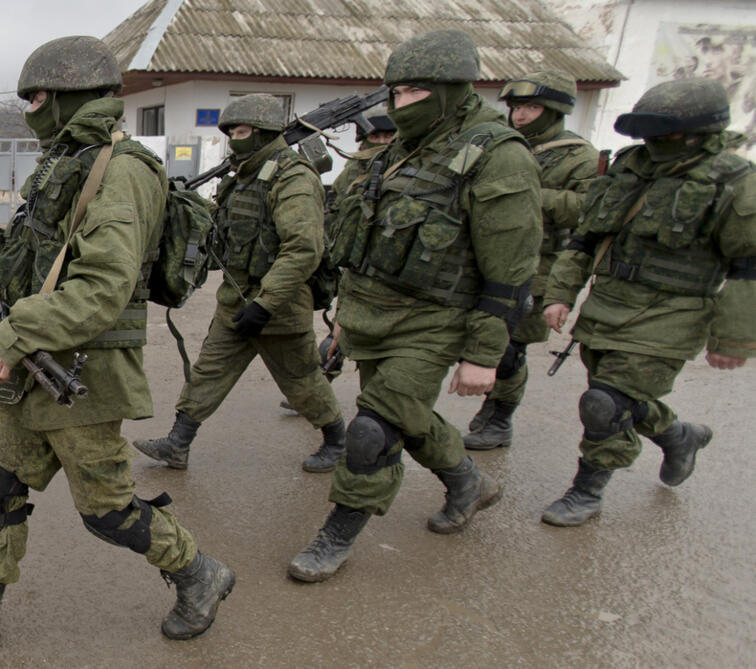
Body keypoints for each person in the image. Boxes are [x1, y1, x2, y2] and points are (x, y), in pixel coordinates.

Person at [0, 36, 234, 650]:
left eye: (34, 96)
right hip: (35, 357)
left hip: (82, 369)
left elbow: (103, 286)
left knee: (107, 511)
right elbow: (37, 247)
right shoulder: (69, 160)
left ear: (65, 96)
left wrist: (17, 332)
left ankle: (198, 571)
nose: (28, 107)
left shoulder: (123, 169)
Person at [287, 30, 542, 583]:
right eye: (395, 93)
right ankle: (468, 481)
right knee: (408, 416)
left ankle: (339, 531)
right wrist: (343, 323)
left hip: (434, 321)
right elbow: (369, 245)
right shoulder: (405, 149)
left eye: (413, 93)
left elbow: (511, 271)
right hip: (374, 314)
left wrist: (483, 355)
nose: (399, 105)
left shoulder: (498, 156)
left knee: (372, 431)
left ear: (451, 90)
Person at [541, 77, 755, 527]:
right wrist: (560, 293)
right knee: (623, 400)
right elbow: (586, 237)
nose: (654, 144)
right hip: (608, 304)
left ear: (699, 132)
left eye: (666, 135)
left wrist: (733, 337)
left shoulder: (734, 181)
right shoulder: (628, 167)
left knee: (605, 404)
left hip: (672, 313)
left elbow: (748, 266)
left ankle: (587, 492)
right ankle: (679, 436)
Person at [133, 93, 347, 473]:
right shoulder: (242, 177)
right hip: (235, 301)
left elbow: (304, 248)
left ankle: (336, 440)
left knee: (301, 382)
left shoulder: (293, 176)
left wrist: (265, 304)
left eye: (242, 131)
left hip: (278, 309)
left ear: (265, 133)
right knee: (207, 374)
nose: (234, 139)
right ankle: (177, 444)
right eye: (230, 132)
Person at [463, 70, 600, 450]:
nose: (521, 116)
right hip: (488, 257)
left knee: (510, 347)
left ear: (555, 111)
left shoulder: (579, 156)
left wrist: (526, 195)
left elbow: (590, 209)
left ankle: (500, 416)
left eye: (532, 107)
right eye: (517, 107)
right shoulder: (500, 144)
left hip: (540, 263)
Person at [278, 105, 396, 411]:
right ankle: (317, 389)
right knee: (341, 327)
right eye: (376, 135)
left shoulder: (401, 168)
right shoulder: (355, 171)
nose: (382, 141)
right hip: (355, 265)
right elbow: (338, 214)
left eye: (388, 135)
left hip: (390, 269)